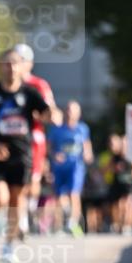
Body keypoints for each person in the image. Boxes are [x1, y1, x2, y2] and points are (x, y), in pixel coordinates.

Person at [0, 48, 50, 263]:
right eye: (6, 63)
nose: (11, 68)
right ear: (0, 67)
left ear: (23, 67)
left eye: (15, 63)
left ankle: (9, 245)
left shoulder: (30, 93)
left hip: (22, 154)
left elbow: (47, 114)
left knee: (16, 200)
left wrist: (53, 114)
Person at [14, 43, 56, 235]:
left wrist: (37, 115)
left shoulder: (39, 84)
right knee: (16, 181)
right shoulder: (7, 84)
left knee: (33, 180)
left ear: (30, 63)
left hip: (34, 137)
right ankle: (20, 219)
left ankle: (30, 209)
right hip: (13, 139)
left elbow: (51, 113)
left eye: (23, 60)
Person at [46, 100, 93, 236]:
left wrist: (88, 154)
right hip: (60, 167)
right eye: (68, 110)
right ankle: (62, 223)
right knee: (60, 195)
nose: (70, 113)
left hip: (76, 166)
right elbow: (49, 148)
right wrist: (54, 155)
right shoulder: (56, 129)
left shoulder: (82, 128)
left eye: (73, 111)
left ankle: (72, 223)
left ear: (78, 113)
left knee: (74, 193)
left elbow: (86, 146)